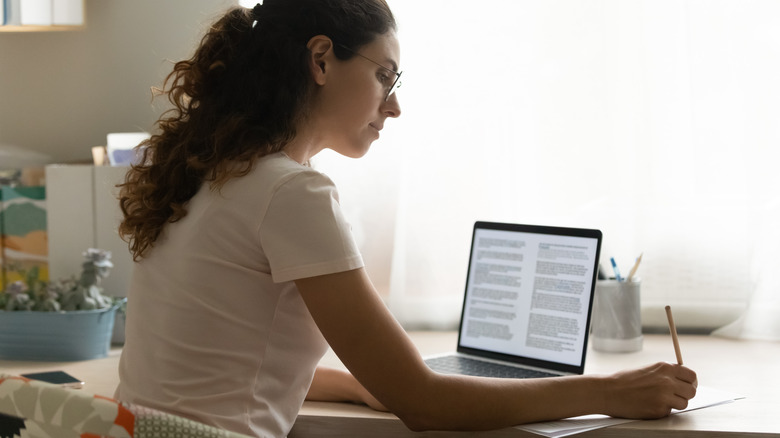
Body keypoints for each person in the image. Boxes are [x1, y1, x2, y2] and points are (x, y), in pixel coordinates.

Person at [115, 1, 698, 437]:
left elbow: (223, 366)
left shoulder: (210, 175)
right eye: (384, 76)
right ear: (321, 59)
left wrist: (367, 386)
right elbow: (422, 402)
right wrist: (608, 390)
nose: (394, 105)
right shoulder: (292, 193)